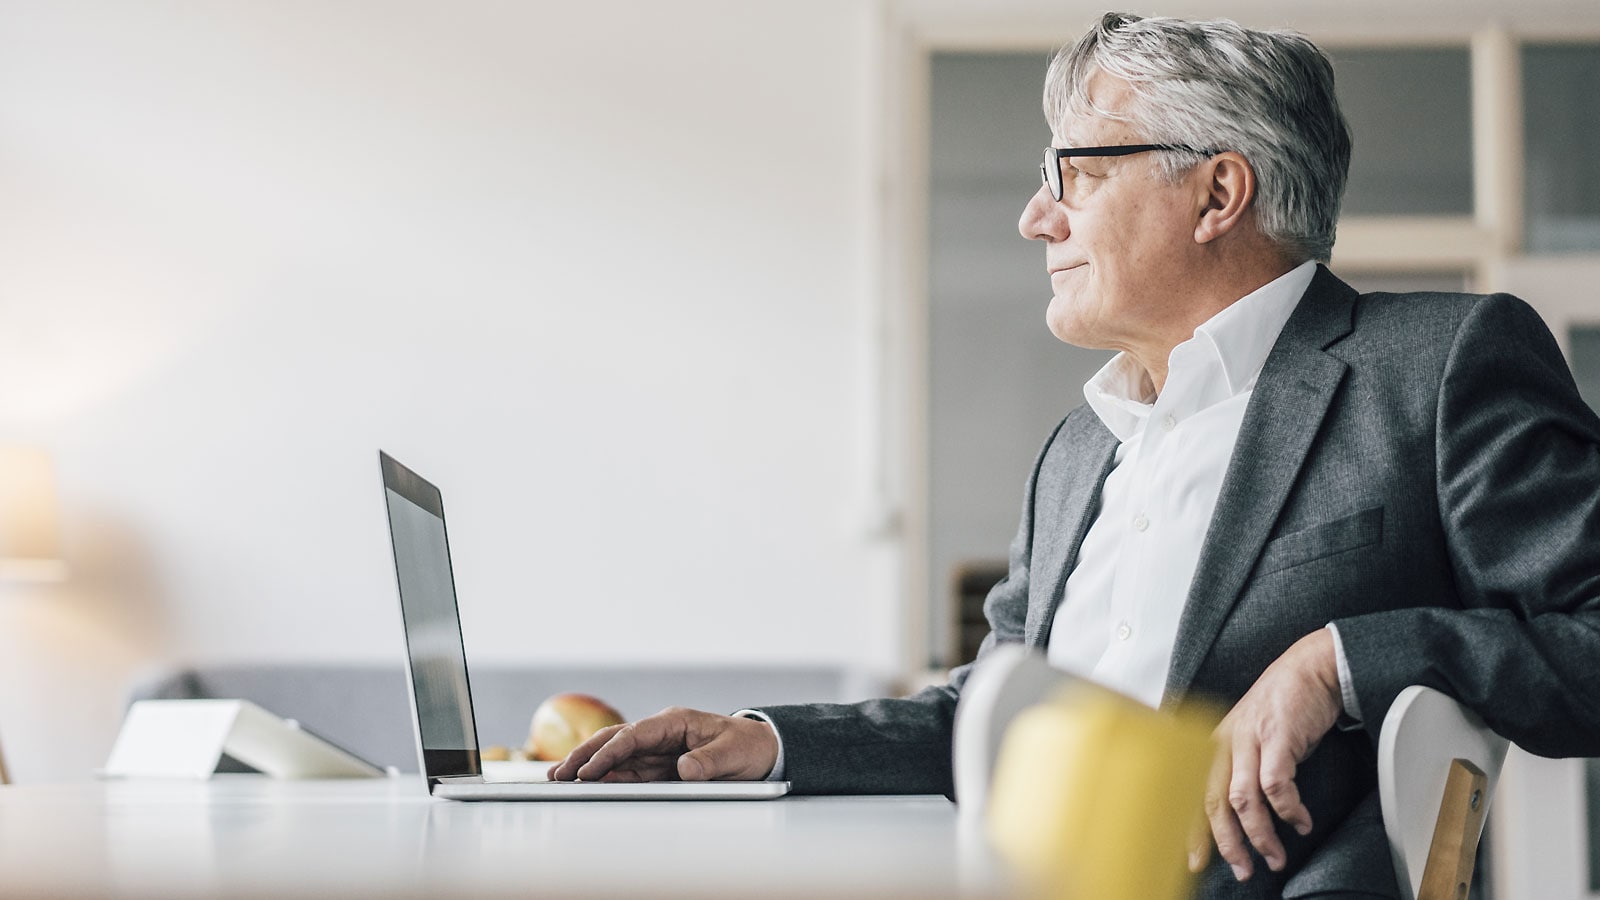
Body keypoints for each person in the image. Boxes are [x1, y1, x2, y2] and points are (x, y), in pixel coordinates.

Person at [551, 12, 1600, 898]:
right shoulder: (1079, 447)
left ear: (1217, 194)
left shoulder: (1438, 364)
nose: (1032, 217)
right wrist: (762, 743)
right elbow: (990, 714)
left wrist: (1337, 660)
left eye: (1072, 174)